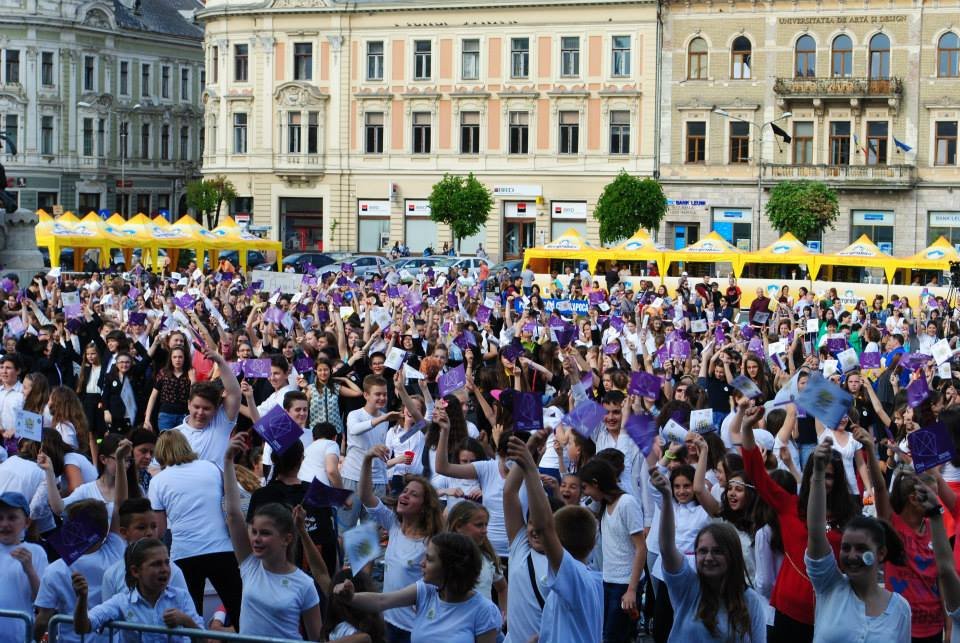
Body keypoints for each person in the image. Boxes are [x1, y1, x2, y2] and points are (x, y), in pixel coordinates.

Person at [805, 439, 911, 642]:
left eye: (861, 548)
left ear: (881, 553)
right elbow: (817, 532)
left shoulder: (900, 609)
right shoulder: (829, 585)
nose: (852, 555)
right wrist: (818, 475)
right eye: (846, 548)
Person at [503, 433, 603, 643]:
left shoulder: (570, 572)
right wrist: (525, 454)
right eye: (530, 523)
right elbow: (509, 494)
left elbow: (544, 526)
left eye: (539, 526)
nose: (534, 530)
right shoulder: (521, 546)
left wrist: (531, 468)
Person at [222, 434, 323, 641]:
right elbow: (233, 515)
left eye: (265, 533)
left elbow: (316, 638)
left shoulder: (304, 584)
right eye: (255, 532)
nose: (256, 539)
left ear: (286, 538)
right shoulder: (250, 566)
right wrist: (228, 460)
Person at [649, 468, 767, 641]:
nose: (709, 558)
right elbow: (667, 548)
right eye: (703, 551)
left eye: (717, 551)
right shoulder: (687, 586)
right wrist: (667, 498)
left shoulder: (750, 601)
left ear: (732, 555)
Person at [332, 531, 501, 643]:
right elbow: (382, 601)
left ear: (450, 567)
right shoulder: (426, 591)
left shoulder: (484, 611)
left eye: (429, 559)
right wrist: (351, 598)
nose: (422, 563)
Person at [148, 430, 242, 625]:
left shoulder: (157, 481)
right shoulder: (211, 467)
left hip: (184, 554)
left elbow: (160, 529)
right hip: (222, 549)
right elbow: (233, 498)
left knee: (191, 618)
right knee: (240, 611)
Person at [358, 443, 444, 642]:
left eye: (414, 495)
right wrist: (367, 459)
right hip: (387, 621)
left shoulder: (430, 542)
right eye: (405, 491)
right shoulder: (394, 525)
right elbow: (365, 495)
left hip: (413, 629)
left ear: (424, 507)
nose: (405, 495)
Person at [71, 538, 203, 642]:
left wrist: (186, 621)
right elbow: (83, 627)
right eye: (156, 564)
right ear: (135, 571)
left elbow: (203, 639)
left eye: (166, 562)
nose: (165, 569)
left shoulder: (181, 597)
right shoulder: (122, 602)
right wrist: (82, 598)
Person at [578, 458, 646, 643]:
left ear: (596, 483)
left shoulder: (627, 503)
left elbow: (641, 548)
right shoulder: (603, 505)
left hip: (625, 584)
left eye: (585, 487)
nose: (585, 493)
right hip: (607, 580)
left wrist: (631, 590)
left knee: (613, 637)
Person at [172, 348, 242, 462]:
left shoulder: (221, 423)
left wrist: (220, 361)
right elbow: (156, 468)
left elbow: (235, 394)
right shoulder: (174, 435)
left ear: (215, 409)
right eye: (196, 407)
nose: (200, 412)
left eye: (206, 408)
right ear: (189, 404)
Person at [0, 491, 47, 643]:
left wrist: (29, 569)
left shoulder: (35, 552)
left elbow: (42, 599)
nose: (4, 524)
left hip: (18, 636)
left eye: (12, 518)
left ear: (26, 522)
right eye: (0, 518)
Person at [446, 501, 507, 613]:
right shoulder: (443, 556)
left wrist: (504, 614)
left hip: (484, 625)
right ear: (459, 526)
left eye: (486, 525)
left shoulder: (488, 557)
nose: (485, 530)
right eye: (479, 525)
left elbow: (502, 587)